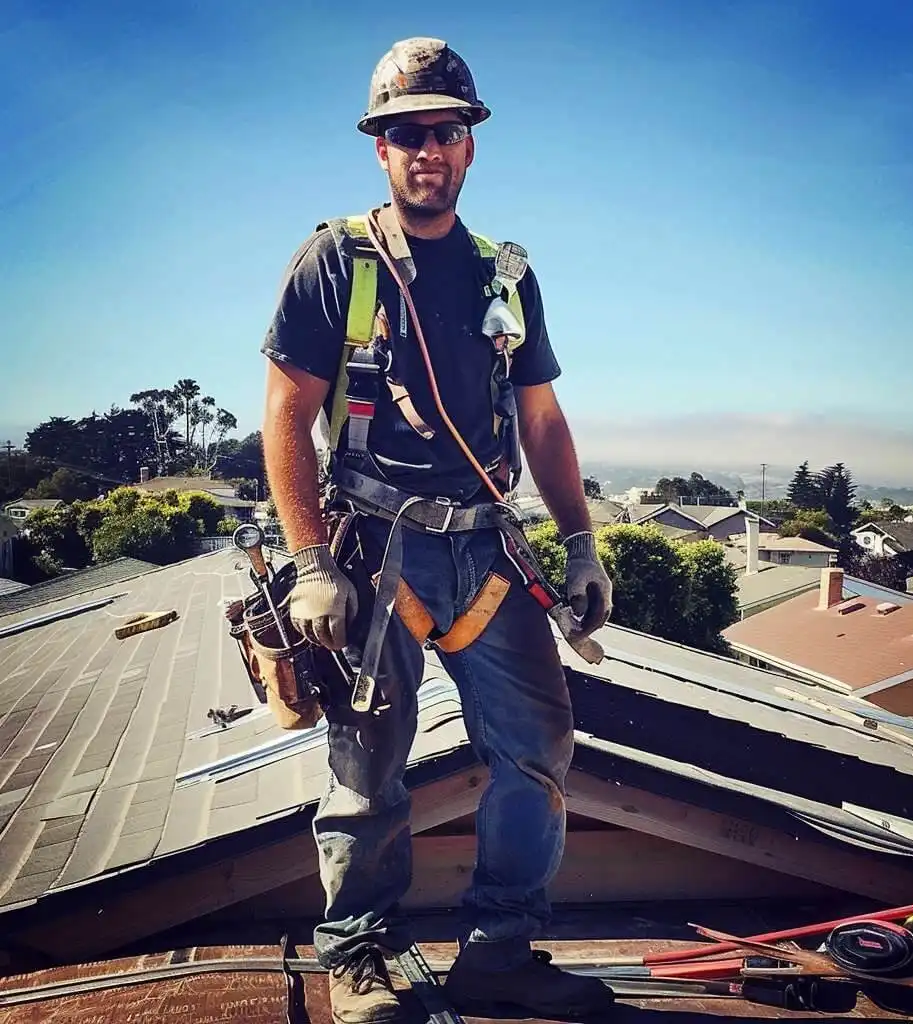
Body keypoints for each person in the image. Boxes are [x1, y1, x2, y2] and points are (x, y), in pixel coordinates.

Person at [260, 36, 615, 1024]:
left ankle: (498, 951)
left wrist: (581, 545)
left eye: (445, 131)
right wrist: (307, 564)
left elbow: (541, 418)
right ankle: (360, 956)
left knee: (539, 748)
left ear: (470, 146)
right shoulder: (337, 261)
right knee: (369, 763)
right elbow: (287, 413)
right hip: (378, 552)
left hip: (488, 551)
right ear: (381, 148)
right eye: (407, 133)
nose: (428, 149)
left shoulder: (506, 276)